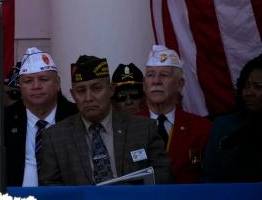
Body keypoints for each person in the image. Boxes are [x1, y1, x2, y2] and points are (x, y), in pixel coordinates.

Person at [39, 55, 171, 185]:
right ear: (73, 95)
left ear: (111, 89)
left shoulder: (143, 129)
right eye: (81, 91)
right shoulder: (55, 138)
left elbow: (164, 177)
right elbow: (50, 189)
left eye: (96, 88)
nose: (89, 98)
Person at [0, 47, 77, 187]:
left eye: (43, 79)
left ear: (58, 83)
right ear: (20, 87)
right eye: (28, 81)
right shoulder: (0, 123)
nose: (36, 86)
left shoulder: (76, 116)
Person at [142, 44, 210, 183]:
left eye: (164, 75)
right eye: (150, 75)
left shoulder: (202, 128)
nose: (156, 81)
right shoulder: (126, 126)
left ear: (180, 84)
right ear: (144, 85)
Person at [202, 54, 262, 182]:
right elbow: (209, 177)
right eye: (246, 86)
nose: (249, 92)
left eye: (258, 87)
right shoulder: (223, 126)